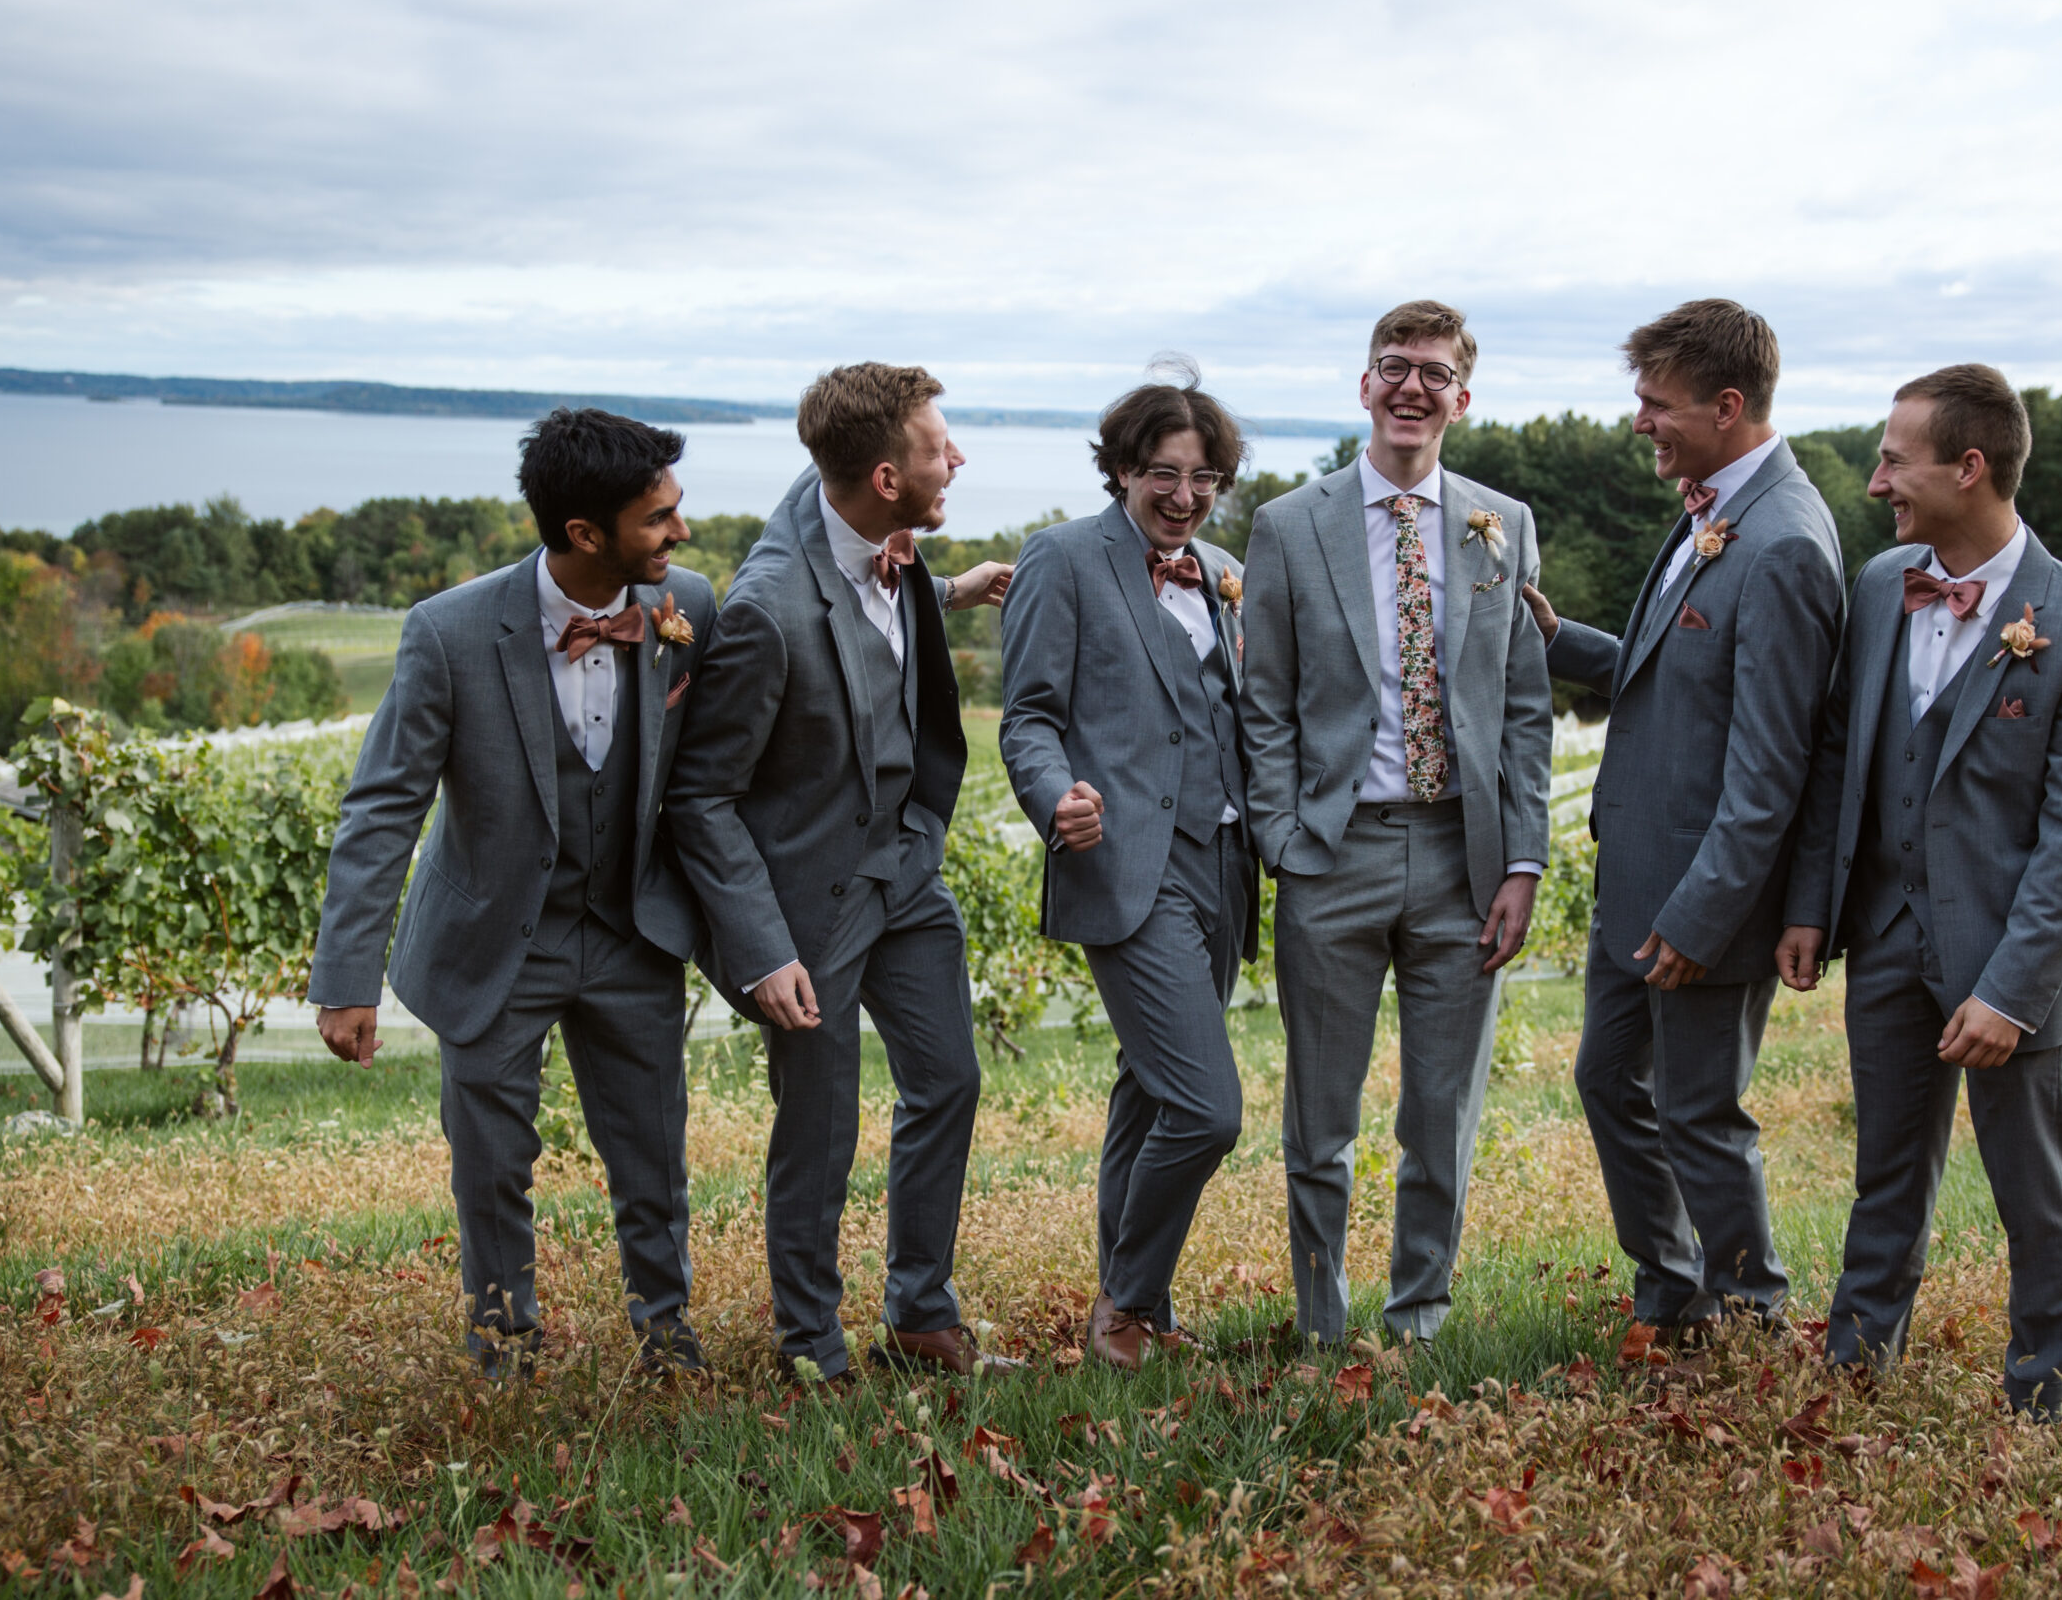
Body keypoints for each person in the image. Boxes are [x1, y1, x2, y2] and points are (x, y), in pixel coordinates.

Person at [309, 406, 719, 1379]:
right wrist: (346, 977)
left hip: (631, 930)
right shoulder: (448, 632)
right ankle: (504, 1348)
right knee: (491, 1163)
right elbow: (382, 807)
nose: (681, 529)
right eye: (658, 516)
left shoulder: (687, 606)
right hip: (495, 936)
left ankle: (667, 1337)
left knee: (653, 1152)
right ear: (584, 533)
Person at [1777, 363, 2062, 1420]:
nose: (1876, 482)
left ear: (1968, 467)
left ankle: (2037, 1400)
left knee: (2031, 1190)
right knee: (1886, 1170)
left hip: (2011, 955)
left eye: (1895, 461)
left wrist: (2012, 992)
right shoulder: (1880, 586)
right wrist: (1810, 905)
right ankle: (1853, 1376)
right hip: (1886, 930)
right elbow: (1841, 753)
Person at [665, 363, 1015, 1385]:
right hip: (807, 904)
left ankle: (918, 1316)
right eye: (940, 448)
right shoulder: (766, 609)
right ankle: (810, 1344)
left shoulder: (873, 528)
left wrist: (950, 590)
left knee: (949, 1079)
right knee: (821, 1125)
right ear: (885, 477)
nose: (957, 457)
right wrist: (760, 949)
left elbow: (866, 615)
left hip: (905, 871)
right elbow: (701, 796)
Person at [1521, 299, 1843, 1341]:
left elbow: (1772, 765)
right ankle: (1672, 1291)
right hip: (1640, 882)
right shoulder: (1717, 509)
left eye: (1656, 404)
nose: (1639, 422)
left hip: (1703, 901)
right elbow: (1681, 679)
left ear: (1727, 405)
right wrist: (1561, 640)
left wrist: (1703, 915)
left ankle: (1749, 1315)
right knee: (1609, 1079)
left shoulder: (1784, 543)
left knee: (1700, 1112)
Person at [1241, 300, 1553, 1346]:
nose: (1411, 387)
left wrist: (1522, 861)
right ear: (1365, 385)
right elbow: (1264, 700)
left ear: (1462, 397)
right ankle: (1321, 1323)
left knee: (1440, 1117)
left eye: (1433, 372)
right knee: (1320, 1119)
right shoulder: (1290, 524)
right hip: (1333, 856)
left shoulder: (1502, 524)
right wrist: (1285, 838)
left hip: (1467, 863)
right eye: (1393, 367)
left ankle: (1418, 1315)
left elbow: (1523, 707)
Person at [998, 369, 1257, 1369]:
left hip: (1223, 863)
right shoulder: (1062, 558)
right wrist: (1052, 795)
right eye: (1163, 474)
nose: (1184, 497)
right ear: (1118, 470)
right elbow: (1028, 716)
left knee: (1151, 1092)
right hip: (1122, 864)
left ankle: (1139, 1311)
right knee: (1207, 1108)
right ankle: (1129, 1302)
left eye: (1204, 479)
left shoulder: (1223, 569)